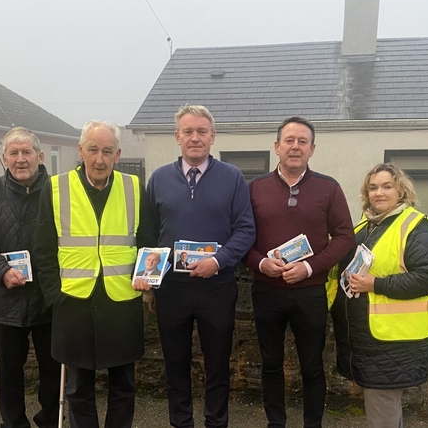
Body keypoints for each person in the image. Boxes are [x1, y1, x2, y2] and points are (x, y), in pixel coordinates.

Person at [34, 121, 157, 428]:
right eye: (93, 150)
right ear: (80, 151)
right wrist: (54, 297)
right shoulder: (55, 187)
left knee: (123, 386)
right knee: (77, 389)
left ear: (118, 154)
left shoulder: (134, 187)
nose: (99, 159)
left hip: (122, 301)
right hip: (73, 301)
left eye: (107, 151)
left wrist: (148, 279)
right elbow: (43, 249)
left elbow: (149, 242)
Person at [145, 104, 255, 428]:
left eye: (202, 132)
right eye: (188, 132)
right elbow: (150, 235)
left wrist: (218, 261)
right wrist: (149, 286)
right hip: (172, 290)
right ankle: (181, 424)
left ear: (212, 136)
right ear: (177, 137)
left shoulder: (233, 177)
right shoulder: (159, 178)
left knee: (217, 366)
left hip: (217, 288)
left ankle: (215, 423)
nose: (195, 138)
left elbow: (246, 229)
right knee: (175, 366)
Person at [245, 116, 355, 428]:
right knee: (270, 364)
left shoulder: (328, 188)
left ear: (312, 149)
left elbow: (345, 236)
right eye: (289, 140)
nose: (295, 146)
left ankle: (313, 424)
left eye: (302, 141)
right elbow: (241, 239)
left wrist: (309, 267)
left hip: (310, 293)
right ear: (276, 147)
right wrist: (261, 263)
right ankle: (275, 423)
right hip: (267, 291)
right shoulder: (254, 189)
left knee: (312, 366)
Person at [329, 163, 428, 428]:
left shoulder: (416, 227)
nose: (378, 193)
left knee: (382, 405)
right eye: (373, 188)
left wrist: (376, 285)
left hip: (394, 339)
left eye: (386, 186)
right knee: (382, 406)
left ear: (401, 191)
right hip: (371, 338)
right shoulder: (367, 225)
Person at [0, 127, 62, 428]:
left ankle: (49, 420)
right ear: (5, 158)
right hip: (5, 299)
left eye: (27, 152)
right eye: (14, 153)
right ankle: (13, 423)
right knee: (8, 371)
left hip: (49, 299)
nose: (21, 159)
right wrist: (0, 271)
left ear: (40, 156)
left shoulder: (60, 190)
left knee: (54, 369)